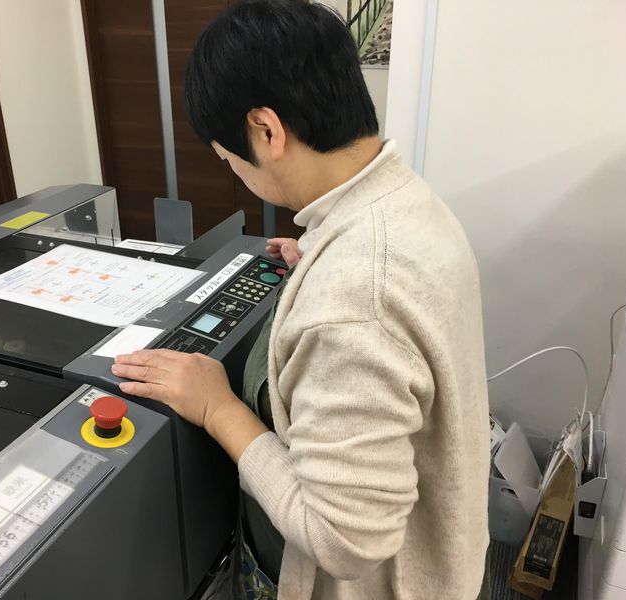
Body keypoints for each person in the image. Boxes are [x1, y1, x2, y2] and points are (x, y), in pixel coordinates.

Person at [111, 1, 490, 598]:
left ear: (266, 131)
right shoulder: (403, 201)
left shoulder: (358, 293)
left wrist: (217, 408)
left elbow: (346, 540)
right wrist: (321, 256)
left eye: (230, 160)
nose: (236, 174)